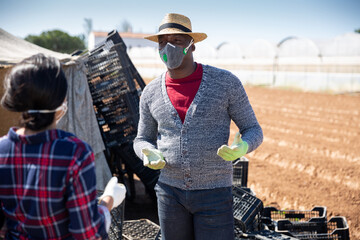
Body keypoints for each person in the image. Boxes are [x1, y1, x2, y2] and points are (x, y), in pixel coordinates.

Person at [133, 13, 263, 240]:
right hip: (169, 193)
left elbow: (253, 129)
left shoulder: (225, 83)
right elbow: (141, 138)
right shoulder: (150, 92)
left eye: (177, 41)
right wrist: (146, 152)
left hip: (215, 193)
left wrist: (243, 146)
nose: (168, 48)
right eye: (162, 43)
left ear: (192, 45)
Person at [0, 53, 126, 240]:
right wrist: (108, 201)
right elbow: (86, 233)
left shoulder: (2, 149)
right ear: (60, 99)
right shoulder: (76, 153)